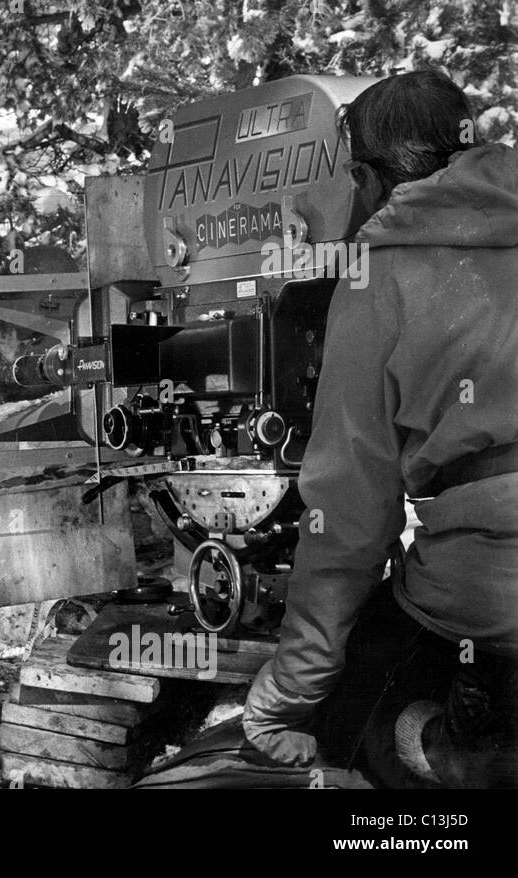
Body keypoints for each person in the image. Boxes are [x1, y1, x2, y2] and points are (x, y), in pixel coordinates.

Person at [241, 71, 518, 787]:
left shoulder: (377, 273)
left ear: (367, 176)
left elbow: (351, 518)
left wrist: (287, 693)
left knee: (352, 728)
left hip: (492, 604)